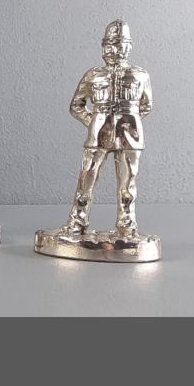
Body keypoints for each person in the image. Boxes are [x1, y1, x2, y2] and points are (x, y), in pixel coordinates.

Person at [63, 19, 152, 236]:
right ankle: (78, 221)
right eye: (109, 45)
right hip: (97, 136)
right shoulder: (93, 75)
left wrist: (129, 121)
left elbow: (146, 105)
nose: (114, 50)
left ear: (129, 47)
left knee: (128, 183)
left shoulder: (140, 75)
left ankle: (127, 224)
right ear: (103, 47)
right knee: (86, 178)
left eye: (119, 45)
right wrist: (94, 122)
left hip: (129, 137)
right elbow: (76, 105)